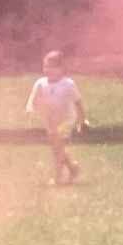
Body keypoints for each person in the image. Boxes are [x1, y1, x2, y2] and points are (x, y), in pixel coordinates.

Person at [25, 50, 88, 185]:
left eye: (52, 67)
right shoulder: (41, 83)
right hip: (50, 120)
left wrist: (82, 119)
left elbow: (78, 102)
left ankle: (58, 177)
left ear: (61, 69)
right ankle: (73, 168)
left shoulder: (68, 84)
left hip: (66, 120)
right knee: (56, 147)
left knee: (57, 148)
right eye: (45, 66)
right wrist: (30, 108)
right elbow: (33, 97)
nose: (48, 70)